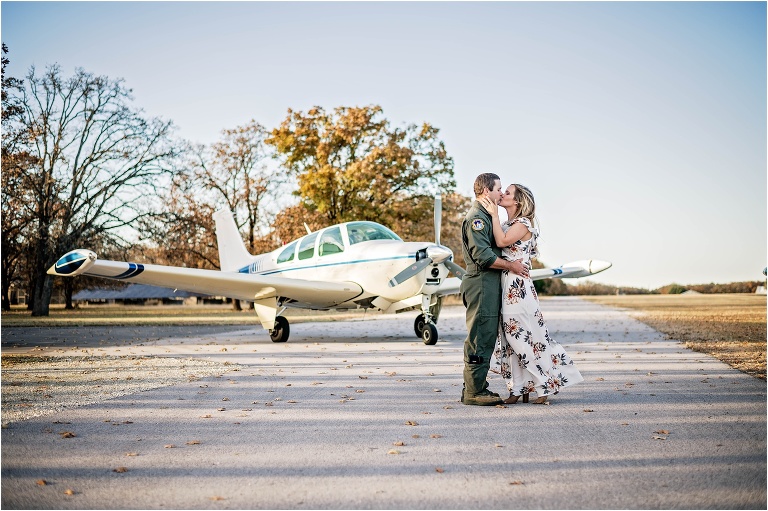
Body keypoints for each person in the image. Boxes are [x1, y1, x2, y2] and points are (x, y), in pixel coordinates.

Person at [479, 184, 583, 404]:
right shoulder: (508, 223)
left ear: (517, 201)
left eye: (507, 192)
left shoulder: (522, 223)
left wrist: (493, 216)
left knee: (521, 337)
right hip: (506, 285)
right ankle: (517, 388)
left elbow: (502, 242)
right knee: (509, 338)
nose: (503, 194)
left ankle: (544, 384)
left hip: (518, 288)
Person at [460, 173, 529, 406]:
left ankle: (474, 386)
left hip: (488, 285)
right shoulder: (476, 218)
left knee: (486, 335)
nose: (501, 193)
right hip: (481, 284)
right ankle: (474, 390)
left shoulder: (487, 216)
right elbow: (483, 256)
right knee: (480, 336)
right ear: (486, 191)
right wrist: (511, 265)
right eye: (498, 188)